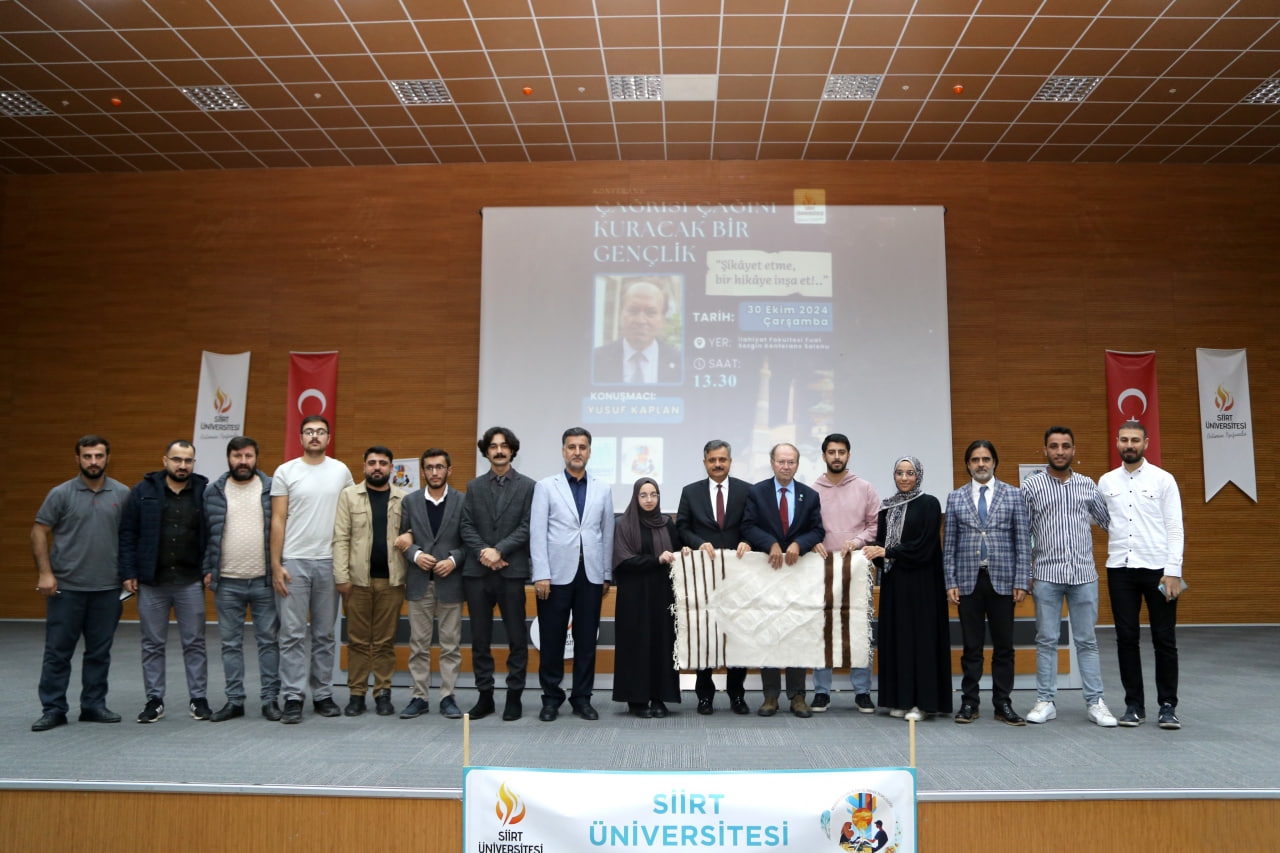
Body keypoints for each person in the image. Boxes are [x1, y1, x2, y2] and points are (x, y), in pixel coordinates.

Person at [31, 435, 128, 732]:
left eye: (99, 456)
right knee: (58, 652)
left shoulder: (122, 493)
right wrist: (45, 573)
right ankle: (53, 709)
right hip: (67, 589)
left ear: (108, 458)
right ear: (78, 459)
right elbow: (38, 532)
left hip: (107, 589)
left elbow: (130, 537)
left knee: (99, 653)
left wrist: (129, 575)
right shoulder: (60, 494)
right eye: (87, 456)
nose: (93, 462)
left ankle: (93, 705)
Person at [1021, 426, 1116, 727]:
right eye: (1054, 446)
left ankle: (1095, 702)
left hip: (1084, 575)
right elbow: (1022, 533)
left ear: (1074, 450)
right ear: (1045, 450)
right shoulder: (1031, 487)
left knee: (1087, 641)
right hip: (1046, 575)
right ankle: (1045, 701)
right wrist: (1026, 574)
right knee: (1046, 640)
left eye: (1065, 446)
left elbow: (1110, 523)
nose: (1059, 451)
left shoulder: (1088, 485)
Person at [1098, 420, 1185, 730]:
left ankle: (1167, 706)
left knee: (1165, 639)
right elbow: (1101, 520)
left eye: (1135, 440)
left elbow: (1175, 527)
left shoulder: (1163, 480)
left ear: (1146, 443)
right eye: (1124, 440)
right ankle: (1134, 705)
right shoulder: (1106, 482)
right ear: (1117, 443)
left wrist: (1173, 571)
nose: (1129, 445)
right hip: (1120, 570)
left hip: (1160, 572)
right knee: (1126, 638)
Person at [118, 440, 211, 723]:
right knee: (152, 644)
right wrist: (128, 572)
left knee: (195, 642)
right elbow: (127, 533)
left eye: (188, 461)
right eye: (177, 459)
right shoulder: (142, 491)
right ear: (165, 460)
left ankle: (198, 699)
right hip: (152, 581)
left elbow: (211, 535)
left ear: (193, 463)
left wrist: (209, 568)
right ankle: (154, 700)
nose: (182, 466)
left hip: (189, 580)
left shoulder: (203, 492)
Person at [270, 415, 354, 724]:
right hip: (294, 561)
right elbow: (278, 519)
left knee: (324, 634)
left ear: (329, 438)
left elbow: (350, 517)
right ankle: (293, 696)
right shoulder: (285, 471)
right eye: (309, 431)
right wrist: (276, 564)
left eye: (320, 431)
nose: (314, 436)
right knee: (291, 633)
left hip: (329, 562)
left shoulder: (341, 471)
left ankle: (322, 694)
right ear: (301, 437)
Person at [530, 427, 615, 722]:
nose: (577, 452)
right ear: (563, 451)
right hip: (554, 577)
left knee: (586, 642)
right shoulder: (545, 486)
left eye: (582, 447)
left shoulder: (603, 488)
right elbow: (537, 532)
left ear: (589, 451)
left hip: (590, 576)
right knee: (552, 640)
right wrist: (541, 573)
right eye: (571, 447)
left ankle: (582, 698)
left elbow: (606, 533)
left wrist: (605, 573)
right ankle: (551, 699)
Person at [943, 440, 1031, 726]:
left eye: (986, 459)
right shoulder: (955, 498)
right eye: (975, 459)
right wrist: (950, 581)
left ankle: (1003, 703)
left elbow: (1023, 541)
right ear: (968, 464)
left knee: (1004, 646)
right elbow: (949, 544)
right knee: (972, 647)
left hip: (1004, 580)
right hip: (967, 581)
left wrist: (1022, 580)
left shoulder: (1014, 494)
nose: (981, 464)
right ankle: (969, 702)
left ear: (994, 462)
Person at [741, 442, 827, 718]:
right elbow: (748, 526)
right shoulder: (757, 492)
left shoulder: (809, 495)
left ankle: (798, 696)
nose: (786, 467)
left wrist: (799, 544)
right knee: (769, 633)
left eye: (791, 462)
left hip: (798, 576)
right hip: (767, 574)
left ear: (797, 465)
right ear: (772, 463)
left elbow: (818, 530)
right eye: (781, 461)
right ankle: (770, 696)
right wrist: (770, 543)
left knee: (796, 633)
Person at [862, 456, 951, 719]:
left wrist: (887, 552)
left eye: (910, 473)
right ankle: (900, 700)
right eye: (899, 473)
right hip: (895, 584)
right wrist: (875, 553)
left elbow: (925, 545)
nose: (904, 478)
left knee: (921, 641)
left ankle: (922, 704)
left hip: (923, 585)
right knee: (898, 640)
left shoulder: (929, 503)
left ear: (918, 475)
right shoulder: (887, 507)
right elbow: (881, 546)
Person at [460, 427, 535, 722]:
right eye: (493, 446)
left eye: (504, 446)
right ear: (486, 451)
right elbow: (466, 526)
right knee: (480, 639)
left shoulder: (529, 486)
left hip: (511, 571)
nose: (499, 450)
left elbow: (528, 526)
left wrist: (499, 551)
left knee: (516, 638)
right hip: (478, 573)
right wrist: (485, 553)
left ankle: (514, 697)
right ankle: (485, 696)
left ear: (512, 450)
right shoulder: (473, 486)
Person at [203, 436, 280, 722]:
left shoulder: (272, 488)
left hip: (265, 581)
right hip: (227, 582)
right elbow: (206, 534)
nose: (243, 461)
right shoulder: (213, 491)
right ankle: (234, 701)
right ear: (229, 458)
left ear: (256, 457)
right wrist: (206, 568)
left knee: (269, 642)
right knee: (230, 644)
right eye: (237, 456)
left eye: (248, 456)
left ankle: (270, 700)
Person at [674, 439, 751, 715]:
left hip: (738, 574)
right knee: (705, 634)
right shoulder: (690, 492)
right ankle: (704, 696)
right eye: (712, 460)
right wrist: (698, 543)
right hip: (703, 576)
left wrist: (748, 542)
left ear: (730, 461)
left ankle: (737, 695)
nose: (717, 464)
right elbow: (682, 528)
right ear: (705, 462)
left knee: (737, 636)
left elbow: (753, 525)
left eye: (722, 459)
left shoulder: (747, 490)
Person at [333, 446, 408, 717]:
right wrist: (341, 576)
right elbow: (341, 538)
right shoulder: (349, 496)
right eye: (372, 462)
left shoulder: (404, 498)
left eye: (383, 463)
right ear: (364, 466)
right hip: (357, 582)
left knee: (386, 641)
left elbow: (413, 533)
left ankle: (383, 693)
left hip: (392, 582)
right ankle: (356, 694)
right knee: (357, 641)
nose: (377, 467)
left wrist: (410, 535)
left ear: (391, 468)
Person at [809, 433, 880, 714]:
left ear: (848, 455)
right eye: (831, 452)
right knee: (822, 629)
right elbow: (805, 526)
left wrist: (858, 541)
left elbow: (875, 525)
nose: (836, 457)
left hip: (857, 567)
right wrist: (811, 541)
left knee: (860, 628)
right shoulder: (811, 490)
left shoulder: (865, 488)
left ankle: (862, 691)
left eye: (841, 452)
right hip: (822, 566)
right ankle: (821, 692)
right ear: (824, 456)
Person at [396, 449, 466, 720]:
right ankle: (419, 697)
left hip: (451, 582)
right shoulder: (410, 501)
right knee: (418, 644)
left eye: (439, 467)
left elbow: (470, 540)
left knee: (450, 645)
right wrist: (415, 555)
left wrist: (454, 560)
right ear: (423, 471)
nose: (434, 472)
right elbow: (403, 538)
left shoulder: (463, 500)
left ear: (449, 470)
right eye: (429, 468)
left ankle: (448, 697)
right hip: (419, 582)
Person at [612, 478, 685, 718]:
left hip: (662, 593)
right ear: (636, 497)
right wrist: (656, 560)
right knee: (636, 644)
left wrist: (682, 552)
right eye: (643, 495)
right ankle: (637, 700)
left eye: (653, 494)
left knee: (661, 644)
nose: (649, 499)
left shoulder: (666, 523)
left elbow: (675, 552)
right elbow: (623, 560)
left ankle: (659, 697)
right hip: (634, 595)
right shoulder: (624, 523)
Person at [591, 279, 681, 384]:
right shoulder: (594, 361)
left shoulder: (681, 363)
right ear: (621, 314)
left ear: (662, 318)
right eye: (633, 310)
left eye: (650, 312)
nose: (640, 320)